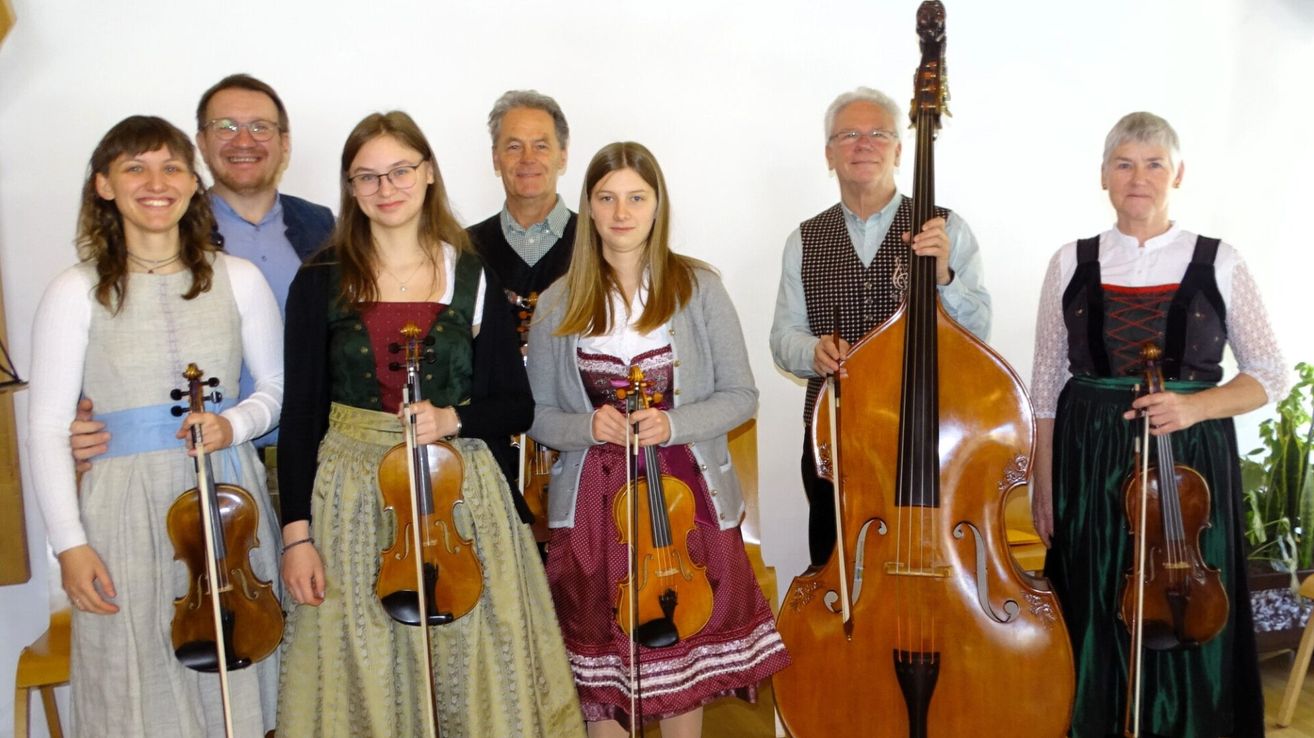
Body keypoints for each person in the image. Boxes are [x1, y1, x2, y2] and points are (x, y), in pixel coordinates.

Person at [275, 110, 584, 737]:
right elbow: (301, 414)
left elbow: (515, 405)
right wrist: (296, 536)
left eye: (400, 171)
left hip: (460, 497)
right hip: (352, 502)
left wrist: (452, 417)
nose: (386, 188)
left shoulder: (470, 272)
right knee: (365, 669)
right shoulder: (320, 279)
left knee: (472, 670)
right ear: (351, 187)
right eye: (367, 177)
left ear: (428, 174)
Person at [1030, 111, 1286, 738]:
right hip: (1090, 459)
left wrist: (1194, 406)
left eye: (1153, 164)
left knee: (1186, 605)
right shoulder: (1069, 261)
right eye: (1124, 164)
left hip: (1188, 466)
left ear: (1177, 174)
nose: (1137, 178)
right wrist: (1043, 482)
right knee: (1095, 599)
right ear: (1104, 175)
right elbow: (1044, 387)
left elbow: (1271, 374)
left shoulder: (1220, 260)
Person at [27, 115, 284, 736]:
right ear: (104, 185)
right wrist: (69, 543)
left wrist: (233, 424)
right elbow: (47, 427)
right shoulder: (75, 290)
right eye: (135, 168)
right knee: (132, 675)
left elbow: (278, 389)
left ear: (193, 183)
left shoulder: (239, 278)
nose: (156, 182)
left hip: (228, 502)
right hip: (122, 506)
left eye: (172, 167)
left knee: (236, 665)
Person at [528, 141, 790, 737]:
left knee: (680, 657)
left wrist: (674, 423)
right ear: (588, 208)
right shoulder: (557, 302)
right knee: (601, 680)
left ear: (657, 205)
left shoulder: (699, 287)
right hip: (592, 511)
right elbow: (538, 416)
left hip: (683, 502)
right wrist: (586, 427)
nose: (622, 213)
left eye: (636, 198)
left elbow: (741, 395)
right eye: (607, 198)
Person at [769, 87, 991, 566]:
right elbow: (783, 336)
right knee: (835, 567)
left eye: (878, 134)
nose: (863, 144)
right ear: (829, 154)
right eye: (848, 135)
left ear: (899, 150)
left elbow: (978, 333)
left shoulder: (946, 228)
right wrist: (812, 351)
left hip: (928, 438)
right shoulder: (804, 239)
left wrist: (944, 278)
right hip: (835, 439)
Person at [69, 73, 334, 467]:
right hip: (216, 459)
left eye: (260, 127)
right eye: (225, 126)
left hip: (316, 454)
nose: (243, 141)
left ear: (284, 142)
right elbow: (121, 333)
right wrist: (84, 418)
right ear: (202, 143)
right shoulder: (161, 229)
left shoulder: (321, 226)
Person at [468, 89, 576, 348]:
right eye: (514, 147)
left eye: (541, 146)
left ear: (562, 155)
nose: (528, 158)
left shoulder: (597, 242)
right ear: (496, 158)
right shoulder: (463, 249)